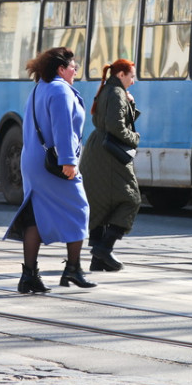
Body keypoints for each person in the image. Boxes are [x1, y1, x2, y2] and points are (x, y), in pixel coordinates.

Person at [4, 47, 95, 293]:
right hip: (54, 163)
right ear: (60, 69)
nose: (75, 71)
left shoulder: (39, 89)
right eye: (73, 67)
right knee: (80, 209)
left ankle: (29, 275)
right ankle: (73, 269)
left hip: (33, 160)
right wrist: (68, 161)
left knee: (35, 215)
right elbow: (62, 128)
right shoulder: (59, 90)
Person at [79, 58, 140, 272]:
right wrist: (135, 138)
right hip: (110, 153)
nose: (134, 81)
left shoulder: (107, 90)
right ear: (121, 75)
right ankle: (104, 248)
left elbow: (105, 120)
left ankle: (98, 260)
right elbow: (116, 126)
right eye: (131, 76)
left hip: (96, 151)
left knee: (101, 203)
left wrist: (130, 103)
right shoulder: (116, 94)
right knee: (131, 199)